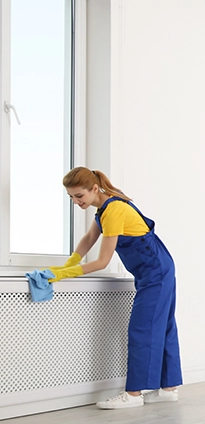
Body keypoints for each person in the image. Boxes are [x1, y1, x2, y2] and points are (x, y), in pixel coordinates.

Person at [47, 167, 182, 409]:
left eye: (79, 196)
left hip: (156, 272)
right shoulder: (103, 210)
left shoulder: (115, 210)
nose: (76, 202)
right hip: (157, 269)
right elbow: (89, 239)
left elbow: (102, 262)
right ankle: (168, 389)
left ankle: (133, 395)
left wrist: (63, 274)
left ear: (94, 189)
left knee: (142, 329)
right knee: (163, 326)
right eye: (71, 197)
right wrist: (68, 263)